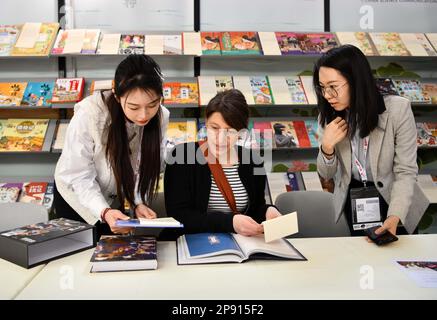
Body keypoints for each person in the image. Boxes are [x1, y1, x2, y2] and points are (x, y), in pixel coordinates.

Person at [314, 44, 429, 238]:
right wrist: (327, 147)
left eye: (333, 87)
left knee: (398, 263)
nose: (327, 96)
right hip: (353, 202)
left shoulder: (397, 111)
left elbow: (406, 172)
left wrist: (394, 217)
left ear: (356, 81)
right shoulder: (328, 116)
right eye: (323, 88)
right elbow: (326, 174)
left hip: (395, 200)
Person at [54, 55, 170, 237]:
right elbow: (78, 176)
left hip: (112, 199)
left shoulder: (161, 116)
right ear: (117, 95)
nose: (143, 115)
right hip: (76, 197)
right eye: (133, 107)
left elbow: (141, 166)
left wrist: (138, 202)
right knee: (80, 257)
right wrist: (104, 211)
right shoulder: (90, 115)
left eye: (152, 104)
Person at [163, 89, 282, 239]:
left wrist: (268, 211)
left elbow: (255, 208)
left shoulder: (253, 160)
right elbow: (178, 216)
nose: (220, 139)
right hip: (190, 243)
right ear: (206, 123)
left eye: (230, 131)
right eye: (214, 128)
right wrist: (229, 222)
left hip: (240, 245)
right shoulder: (181, 156)